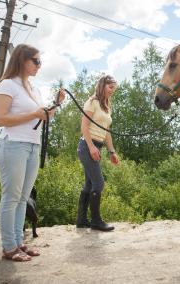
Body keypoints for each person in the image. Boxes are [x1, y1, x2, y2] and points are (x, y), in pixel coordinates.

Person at [0, 44, 64, 261]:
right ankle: (9, 247)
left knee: (23, 198)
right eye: (36, 61)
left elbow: (41, 116)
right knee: (11, 198)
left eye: (40, 61)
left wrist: (55, 106)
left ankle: (19, 243)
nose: (39, 65)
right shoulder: (7, 84)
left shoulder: (34, 89)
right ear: (22, 60)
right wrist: (34, 113)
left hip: (32, 147)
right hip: (13, 145)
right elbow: (0, 119)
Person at [76, 75, 119, 231]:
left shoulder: (107, 106)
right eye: (110, 87)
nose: (112, 90)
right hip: (87, 146)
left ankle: (81, 220)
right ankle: (95, 221)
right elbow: (84, 125)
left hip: (97, 146)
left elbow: (106, 132)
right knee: (98, 183)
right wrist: (91, 147)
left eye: (114, 88)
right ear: (102, 86)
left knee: (89, 184)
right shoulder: (92, 101)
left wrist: (112, 151)